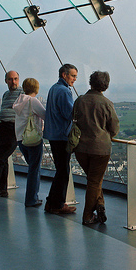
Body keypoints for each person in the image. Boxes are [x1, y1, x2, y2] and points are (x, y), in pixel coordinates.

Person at [73, 71, 119, 225]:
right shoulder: (107, 104)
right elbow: (114, 128)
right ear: (105, 86)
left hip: (80, 147)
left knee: (93, 181)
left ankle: (100, 205)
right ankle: (87, 216)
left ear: (90, 82)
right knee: (94, 181)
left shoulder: (80, 100)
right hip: (100, 149)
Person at [43, 64, 78, 214]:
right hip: (61, 136)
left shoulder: (53, 88)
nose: (75, 79)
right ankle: (57, 204)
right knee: (63, 171)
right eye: (73, 76)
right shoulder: (64, 91)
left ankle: (52, 202)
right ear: (64, 75)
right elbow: (69, 114)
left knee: (61, 170)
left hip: (53, 134)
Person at [0, 70, 22, 198]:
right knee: (2, 159)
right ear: (6, 81)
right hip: (0, 127)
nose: (13, 82)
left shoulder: (22, 94)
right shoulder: (6, 94)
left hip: (12, 129)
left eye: (16, 79)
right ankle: (2, 189)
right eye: (11, 79)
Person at [13, 78, 46, 207]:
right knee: (34, 169)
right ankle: (31, 198)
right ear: (36, 88)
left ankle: (31, 198)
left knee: (32, 168)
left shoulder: (19, 101)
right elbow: (44, 115)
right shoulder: (33, 101)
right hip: (33, 139)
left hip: (20, 139)